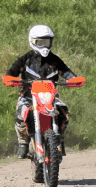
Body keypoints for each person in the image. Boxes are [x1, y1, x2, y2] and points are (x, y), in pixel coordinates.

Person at [6, 24, 75, 159]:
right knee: (21, 111)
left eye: (47, 42)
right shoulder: (25, 59)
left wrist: (73, 79)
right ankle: (23, 143)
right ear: (32, 41)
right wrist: (9, 79)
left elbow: (65, 72)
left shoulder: (54, 60)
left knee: (63, 110)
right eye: (40, 42)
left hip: (50, 98)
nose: (44, 46)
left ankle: (59, 138)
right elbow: (12, 71)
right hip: (29, 96)